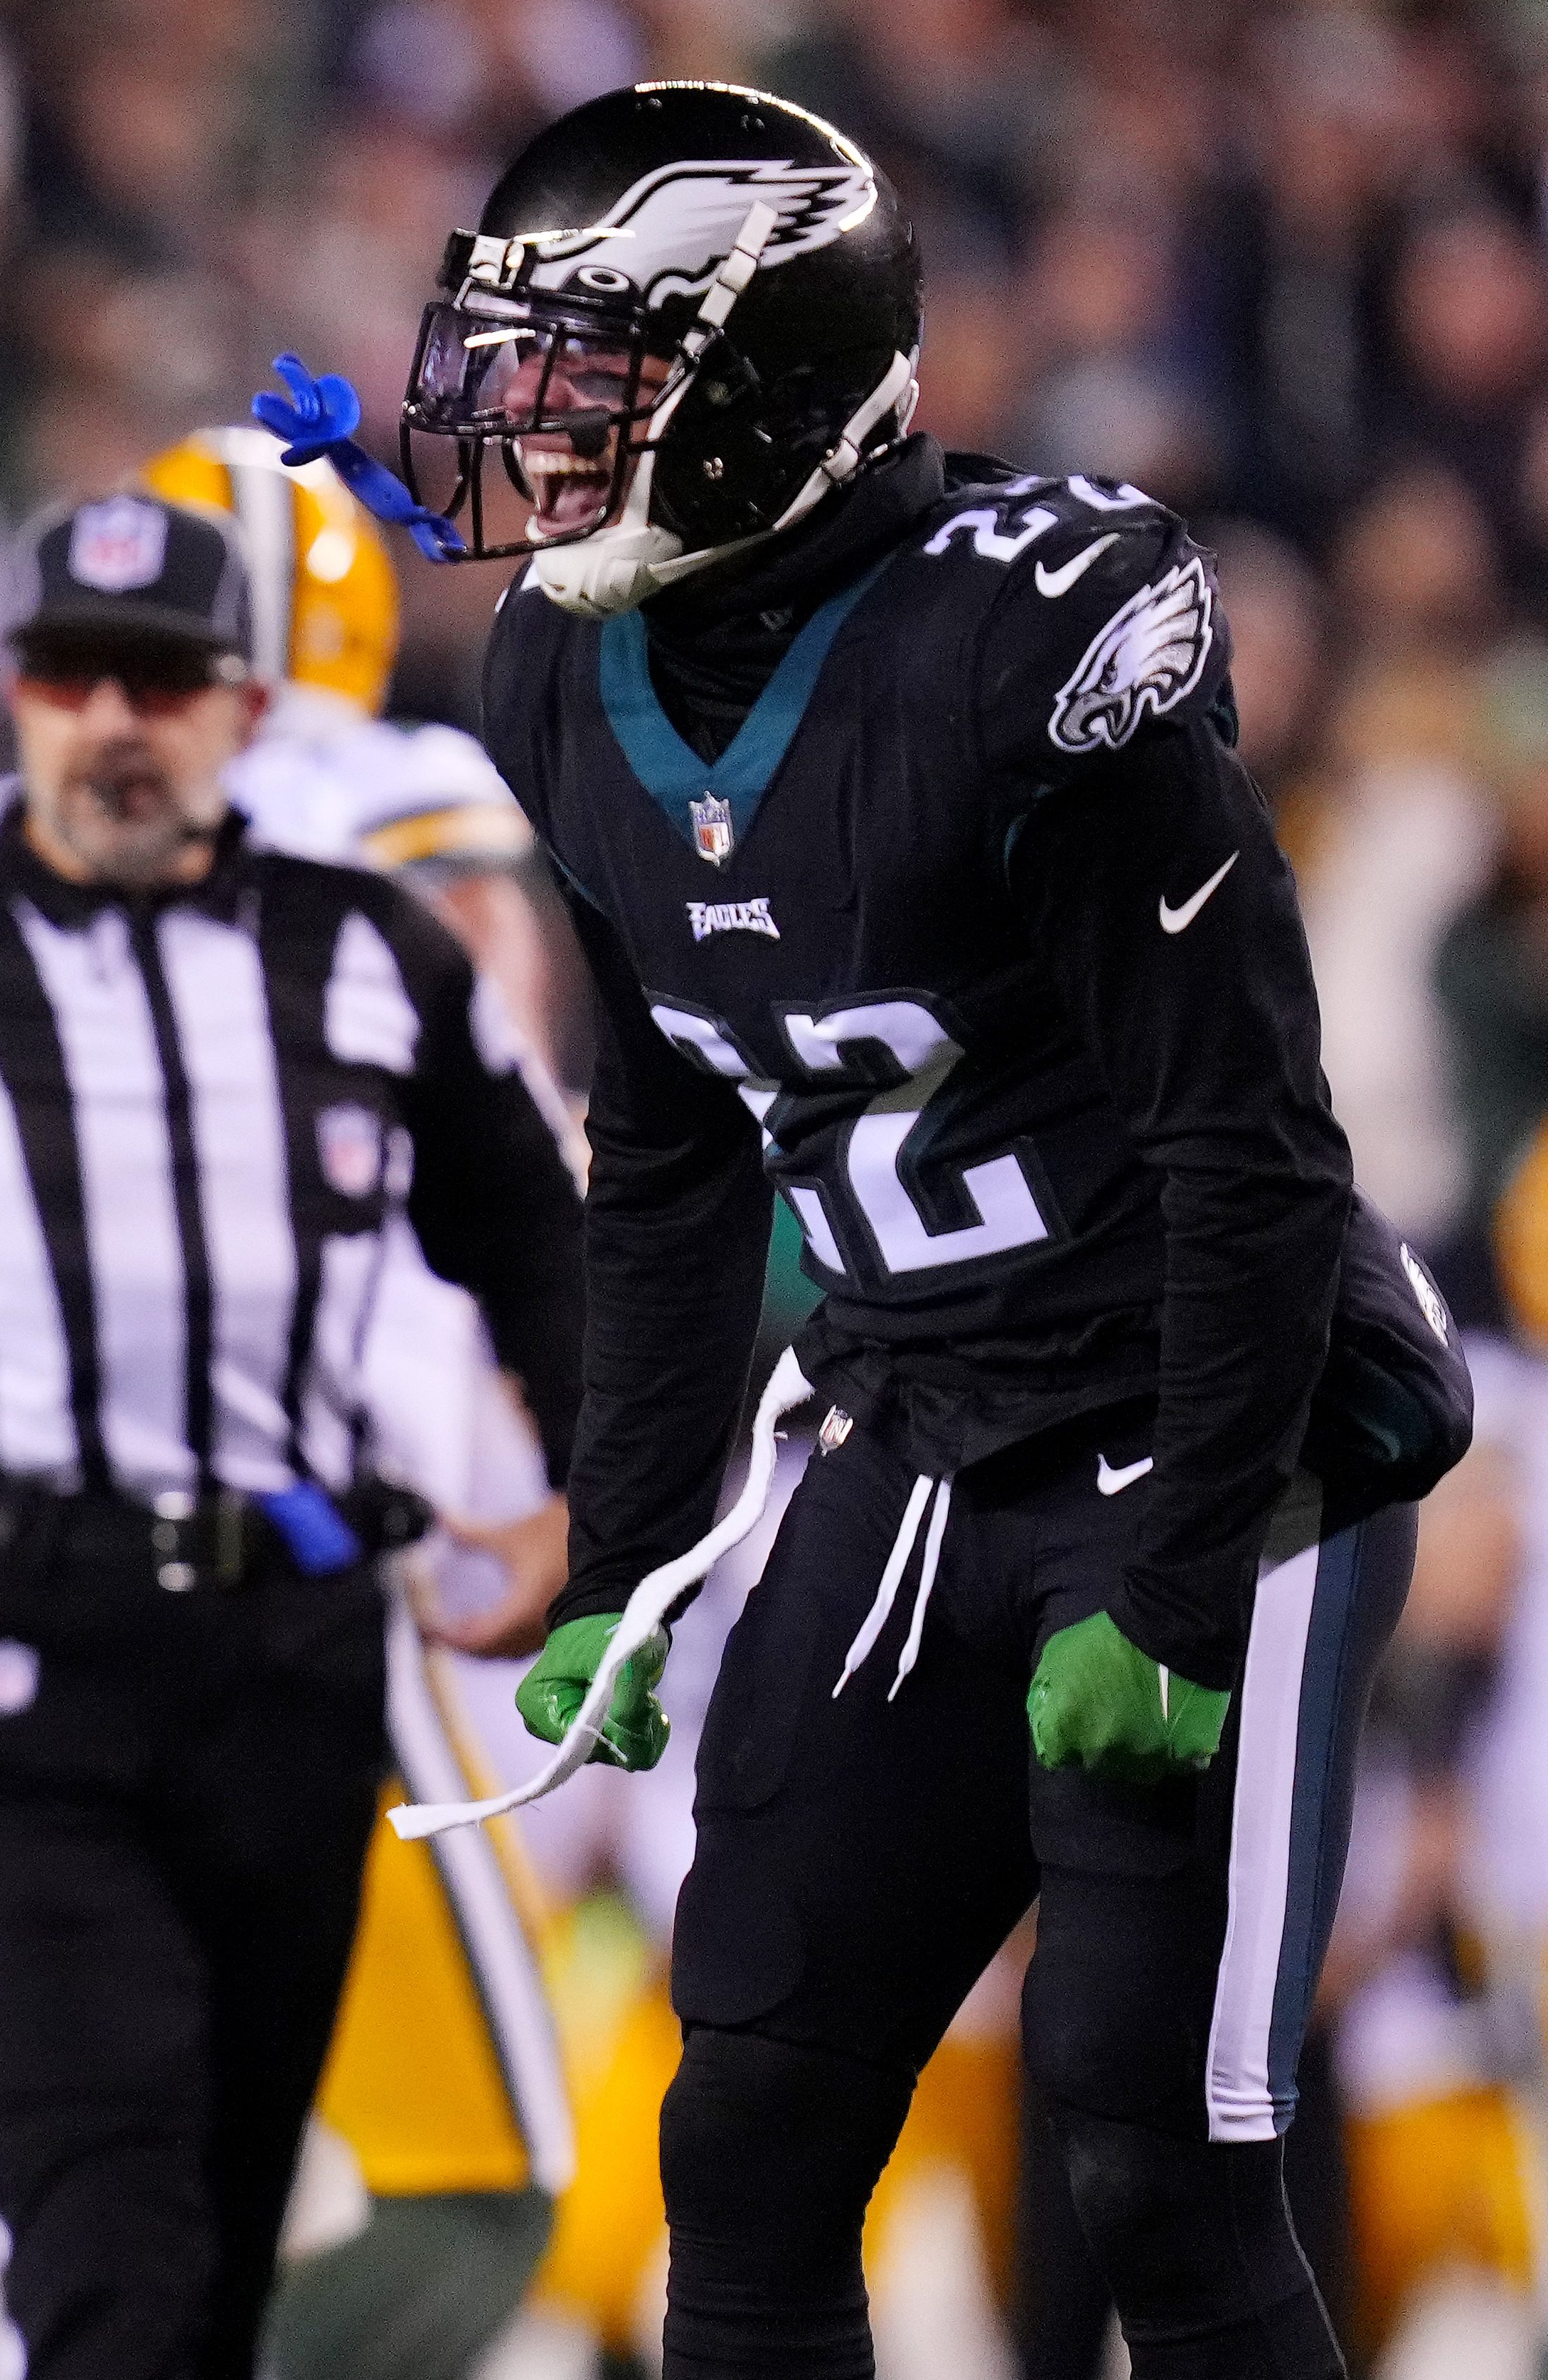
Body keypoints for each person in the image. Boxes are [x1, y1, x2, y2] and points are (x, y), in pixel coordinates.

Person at [287, 79, 1468, 2379]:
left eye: (587, 372)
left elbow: (1248, 1152)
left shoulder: (1013, 637)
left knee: (1146, 2140)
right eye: (517, 365)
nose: (523, 424)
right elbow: (664, 1143)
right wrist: (623, 1543)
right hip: (919, 1430)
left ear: (760, 396)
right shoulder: (557, 665)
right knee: (739, 2134)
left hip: (1216, 1432)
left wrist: (1182, 1569)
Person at [0, 491, 588, 2380]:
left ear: (242, 709)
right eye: (72, 674)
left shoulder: (365, 946)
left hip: (288, 1652)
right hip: (3, 1652)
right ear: (13, 693)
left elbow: (532, 1225)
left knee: (199, 2261)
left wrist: (574, 1511)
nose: (113, 719)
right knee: (102, 2250)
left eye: (162, 677)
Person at [139, 428, 579, 2380]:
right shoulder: (408, 807)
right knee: (472, 2177)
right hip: (346, 1542)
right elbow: (527, 1170)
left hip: (54, 1583)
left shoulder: (21, 852)